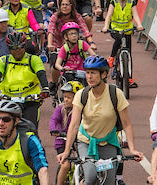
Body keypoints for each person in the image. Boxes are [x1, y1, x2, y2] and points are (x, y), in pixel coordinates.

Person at [58, 56, 143, 185]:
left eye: (93, 73)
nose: (89, 77)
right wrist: (66, 151)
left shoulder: (115, 94)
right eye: (87, 73)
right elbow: (74, 125)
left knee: (109, 181)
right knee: (90, 176)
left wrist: (132, 149)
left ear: (103, 74)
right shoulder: (82, 95)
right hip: (86, 142)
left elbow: (126, 124)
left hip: (108, 142)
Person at [0, 31, 49, 127]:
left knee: (31, 128)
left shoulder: (33, 59)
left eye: (20, 47)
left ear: (25, 46)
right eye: (13, 48)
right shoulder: (3, 60)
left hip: (30, 100)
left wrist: (45, 88)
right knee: (3, 128)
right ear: (9, 48)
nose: (17, 50)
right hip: (8, 99)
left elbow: (41, 73)